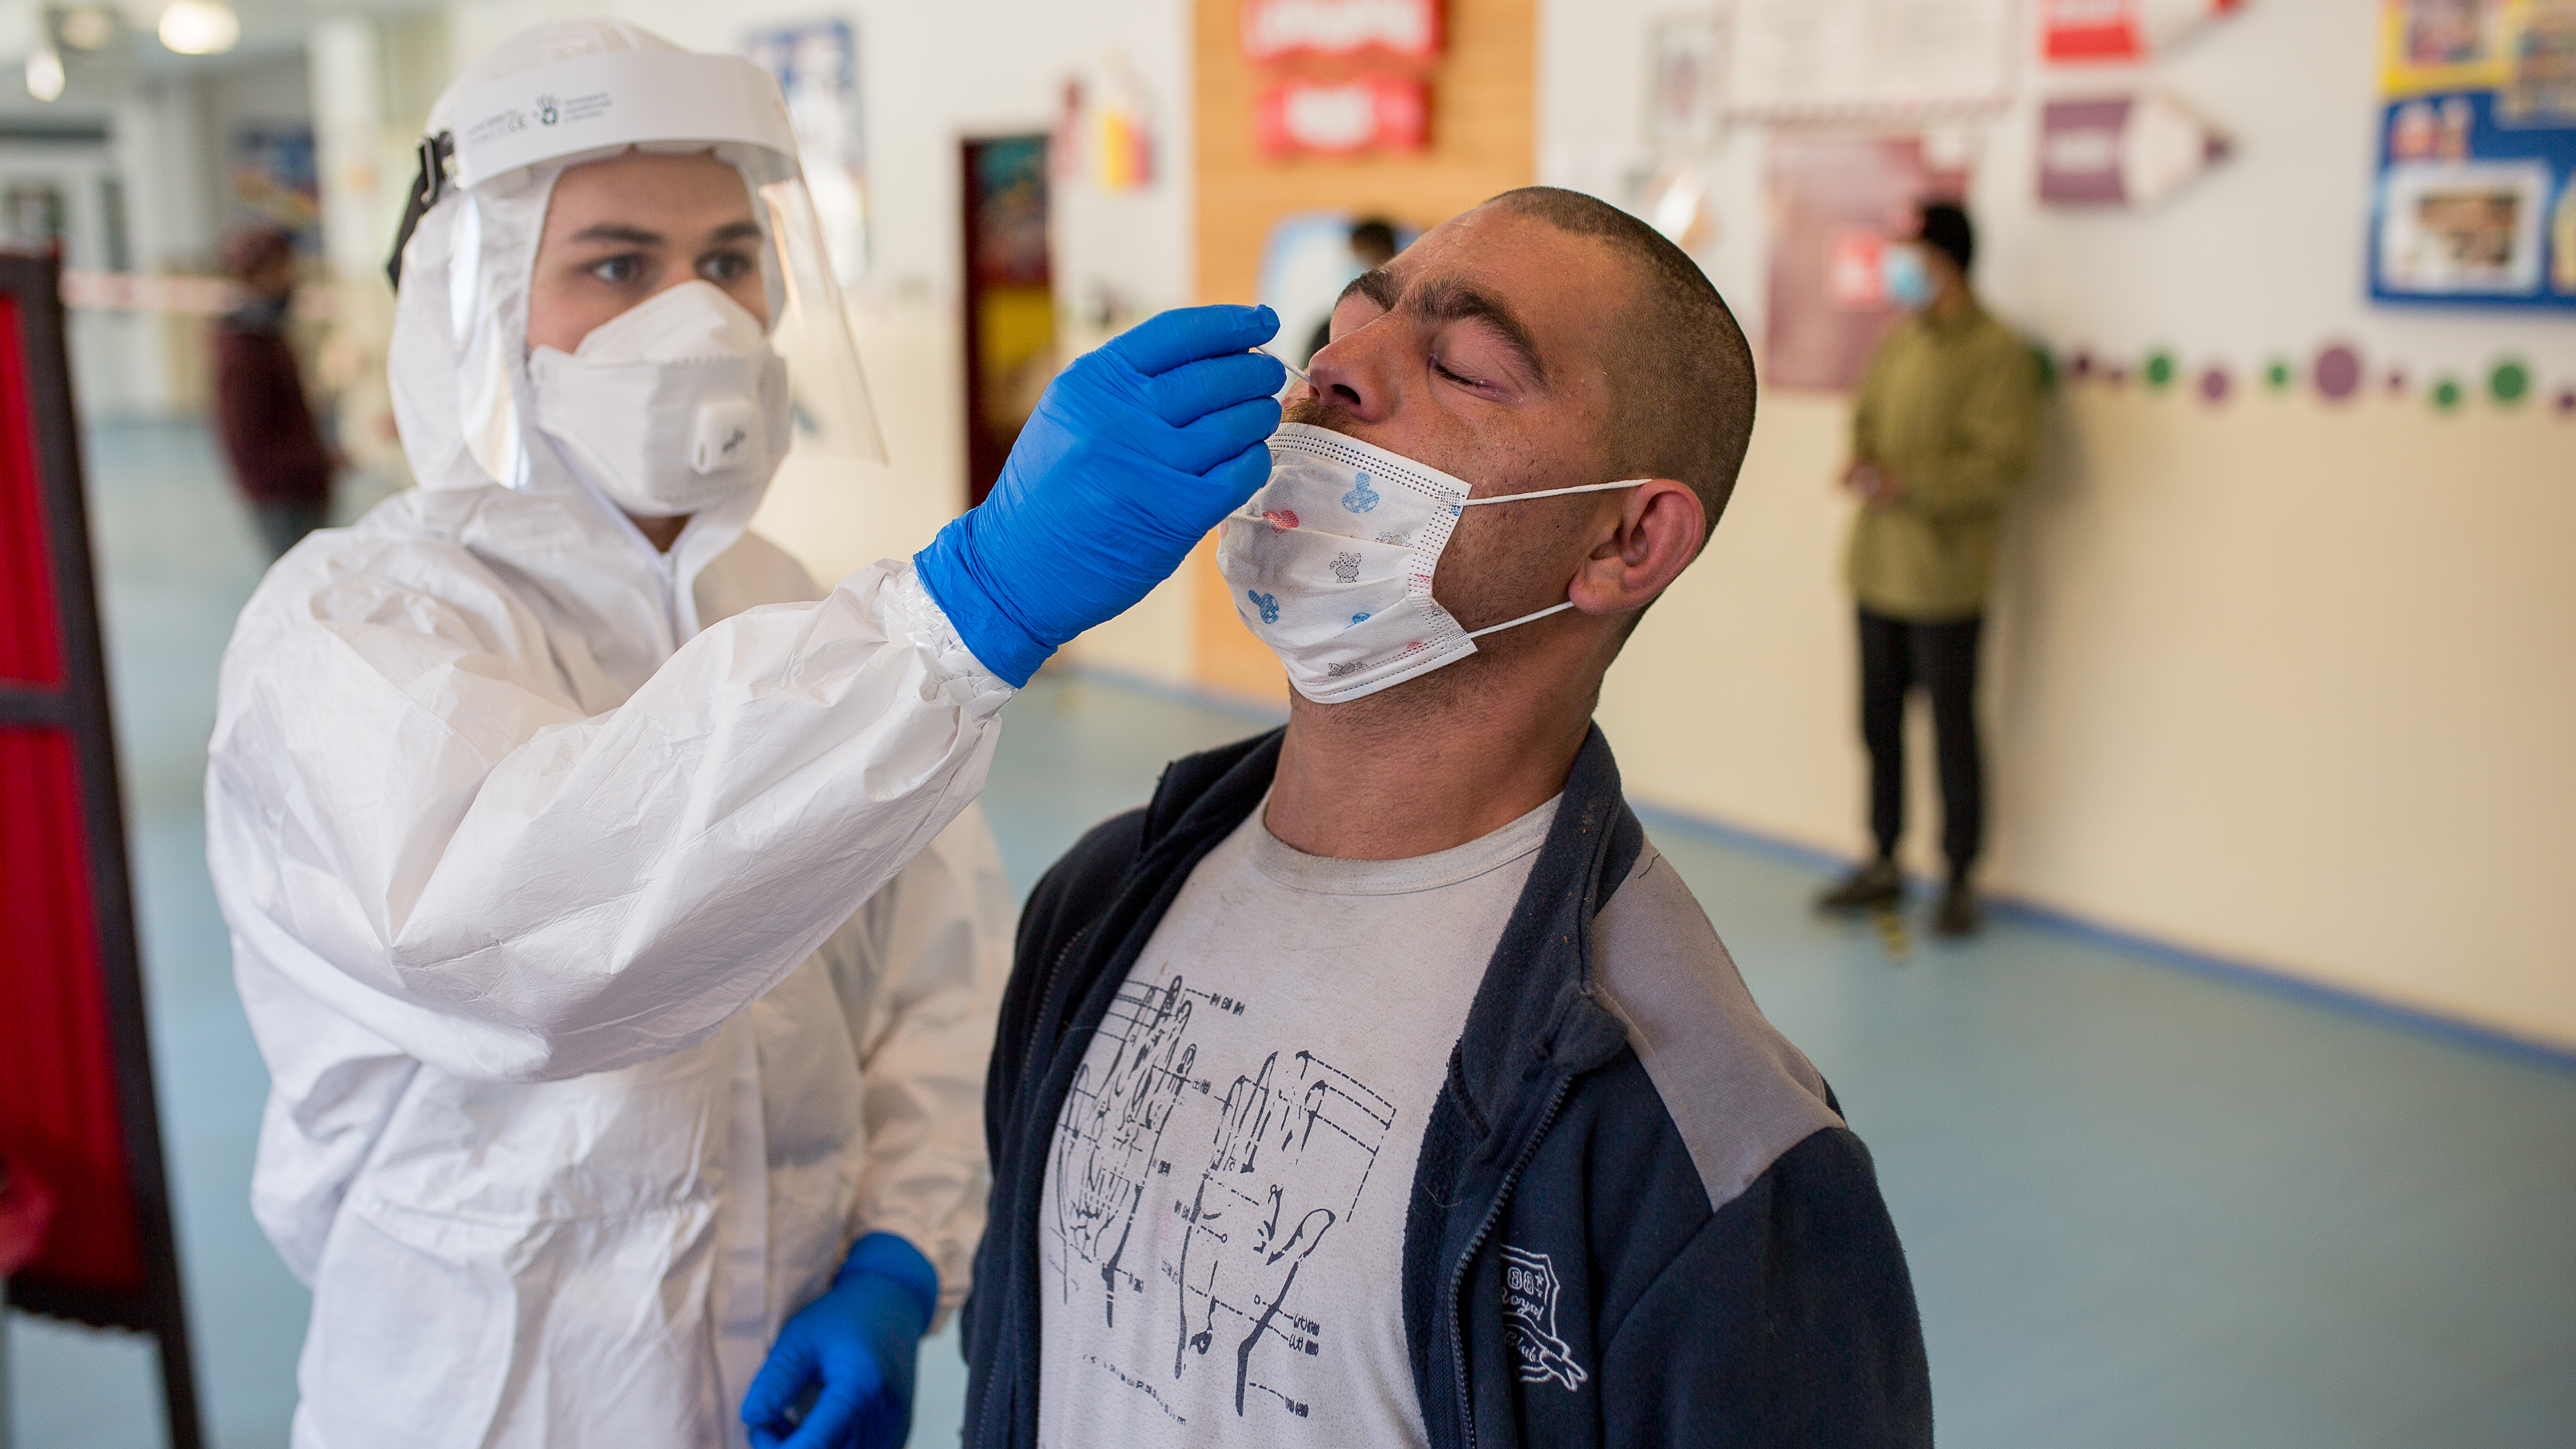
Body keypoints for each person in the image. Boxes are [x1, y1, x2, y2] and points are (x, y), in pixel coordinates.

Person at [204, 19, 1285, 1449]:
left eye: (727, 259)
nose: (699, 315)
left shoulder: (797, 615)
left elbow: (935, 970)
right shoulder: (352, 622)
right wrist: (964, 615)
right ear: (475, 304)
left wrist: (898, 1253)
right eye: (616, 266)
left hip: (784, 1344)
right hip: (489, 1391)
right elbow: (525, 945)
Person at [963, 187, 1929, 1449]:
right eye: (1345, 325)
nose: (1334, 372)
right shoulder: (1095, 901)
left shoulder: (1709, 1150)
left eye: (1465, 367)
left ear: (1627, 539)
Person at [1816, 201, 2041, 937]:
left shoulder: (1998, 352)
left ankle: (1959, 877)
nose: (1899, 269)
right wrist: (1863, 460)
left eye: (1910, 254)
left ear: (1946, 261)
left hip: (1944, 581)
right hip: (1876, 569)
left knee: (1952, 731)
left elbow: (2000, 466)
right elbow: (1866, 418)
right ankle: (1883, 859)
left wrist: (1908, 483)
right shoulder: (1901, 340)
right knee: (1877, 725)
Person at [210, 224, 336, 560]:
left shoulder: (270, 336)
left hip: (302, 488)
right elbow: (248, 444)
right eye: (282, 270)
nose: (292, 278)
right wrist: (318, 463)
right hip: (282, 497)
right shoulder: (242, 351)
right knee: (297, 574)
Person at [1303, 216, 1399, 362]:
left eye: (1363, 259)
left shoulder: (1402, 331)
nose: (1357, 272)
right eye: (1354, 260)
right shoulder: (1327, 333)